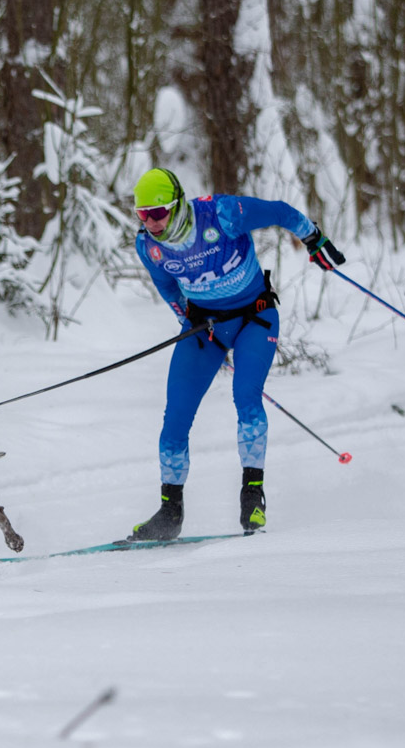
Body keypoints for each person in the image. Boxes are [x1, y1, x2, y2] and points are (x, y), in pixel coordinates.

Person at [130, 168, 346, 540]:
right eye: (142, 215)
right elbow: (167, 287)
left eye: (158, 213)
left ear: (178, 204)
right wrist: (190, 317)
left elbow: (278, 211)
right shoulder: (148, 247)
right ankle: (170, 512)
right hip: (206, 329)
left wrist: (312, 237)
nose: (151, 223)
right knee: (175, 416)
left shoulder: (222, 214)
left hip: (254, 318)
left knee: (245, 397)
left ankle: (252, 495)